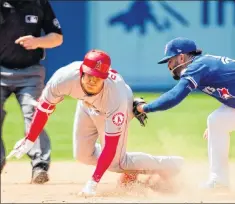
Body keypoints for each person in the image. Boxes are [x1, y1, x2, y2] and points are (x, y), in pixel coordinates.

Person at [6, 49, 184, 196]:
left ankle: (170, 164)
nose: (92, 80)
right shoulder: (63, 79)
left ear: (105, 77)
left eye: (98, 77)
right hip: (86, 105)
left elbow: (110, 146)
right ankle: (131, 165)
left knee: (117, 162)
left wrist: (93, 181)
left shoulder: (117, 97)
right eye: (89, 75)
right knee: (82, 155)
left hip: (111, 108)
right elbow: (44, 109)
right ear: (82, 71)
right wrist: (30, 139)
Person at [134, 37, 235, 190]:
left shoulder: (196, 66)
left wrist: (145, 108)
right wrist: (216, 129)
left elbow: (175, 96)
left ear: (182, 58)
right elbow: (232, 91)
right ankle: (219, 180)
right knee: (216, 122)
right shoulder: (202, 66)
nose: (169, 66)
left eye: (170, 60)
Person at [0, 0, 63, 184]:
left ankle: (40, 166)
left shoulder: (39, 2)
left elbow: (57, 37)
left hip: (31, 72)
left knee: (34, 113)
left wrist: (37, 41)